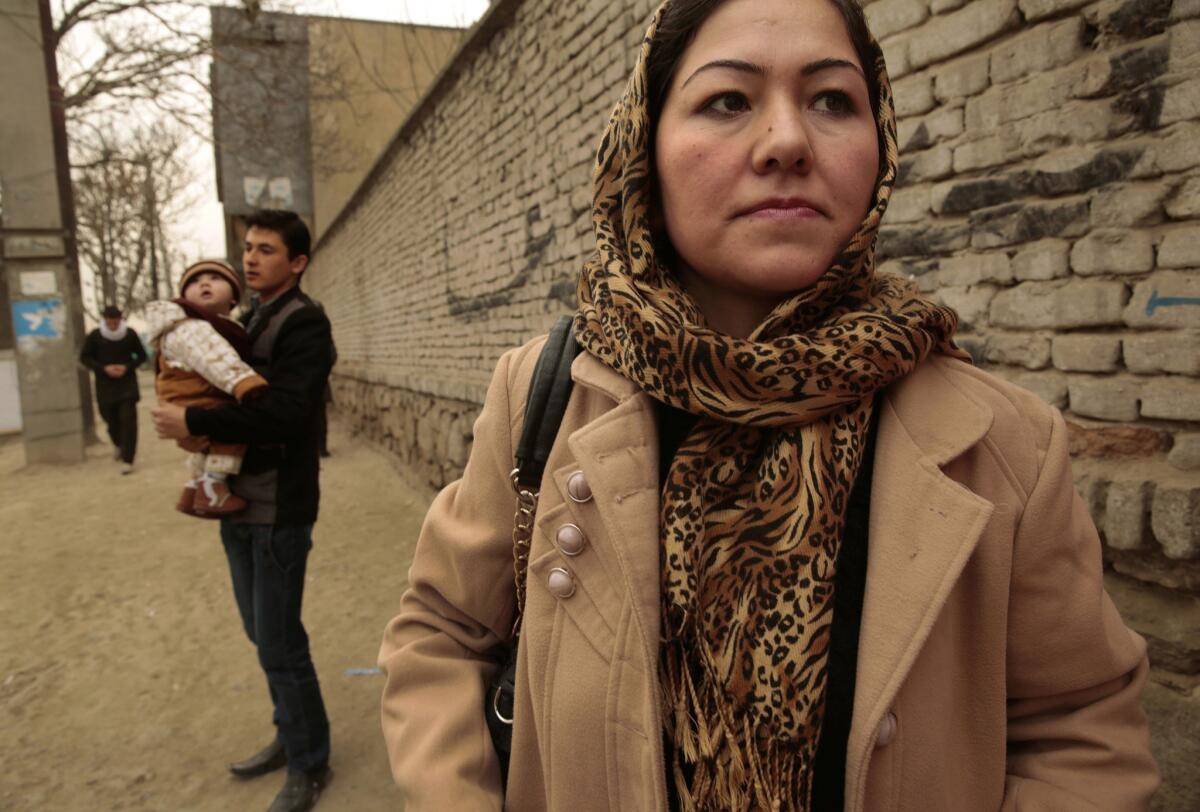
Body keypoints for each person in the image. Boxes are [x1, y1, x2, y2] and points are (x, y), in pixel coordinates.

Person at [377, 1, 1160, 810]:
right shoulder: (541, 392)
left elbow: (1080, 730)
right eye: (727, 101)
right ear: (645, 144)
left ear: (881, 143)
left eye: (831, 100)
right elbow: (442, 639)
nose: (788, 141)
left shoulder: (1004, 444)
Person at [151, 210, 334, 812]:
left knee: (280, 640)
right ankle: (290, 734)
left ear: (298, 262)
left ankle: (310, 764)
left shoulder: (304, 323)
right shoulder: (247, 318)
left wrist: (195, 420)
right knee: (263, 635)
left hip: (280, 506)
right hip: (237, 503)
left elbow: (286, 413)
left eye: (267, 250)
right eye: (247, 248)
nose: (251, 259)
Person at [143, 259, 267, 517]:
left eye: (216, 278)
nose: (205, 284)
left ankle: (192, 490)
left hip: (187, 398)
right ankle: (213, 490)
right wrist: (245, 383)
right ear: (183, 296)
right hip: (199, 397)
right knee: (230, 432)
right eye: (195, 282)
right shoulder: (194, 327)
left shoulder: (210, 325)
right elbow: (216, 361)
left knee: (207, 443)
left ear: (234, 298)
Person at [80, 304, 148, 474]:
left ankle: (128, 459)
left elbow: (142, 356)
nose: (113, 326)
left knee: (128, 421)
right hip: (105, 386)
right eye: (110, 323)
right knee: (111, 422)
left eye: (116, 322)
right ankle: (119, 444)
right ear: (105, 321)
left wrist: (127, 366)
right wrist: (103, 368)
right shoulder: (95, 336)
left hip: (127, 385)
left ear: (120, 320)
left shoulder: (130, 334)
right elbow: (85, 357)